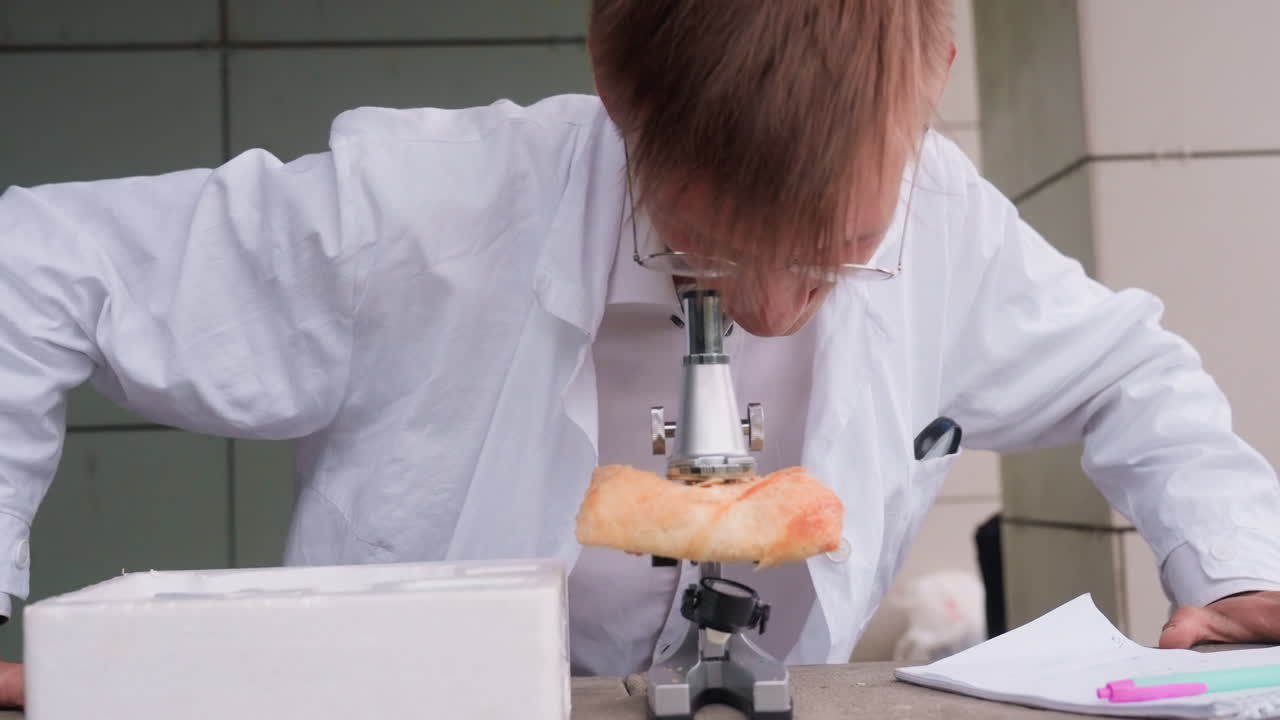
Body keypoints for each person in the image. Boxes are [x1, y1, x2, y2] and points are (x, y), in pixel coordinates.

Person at [1, 0, 1279, 706]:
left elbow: (1130, 375)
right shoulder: (419, 213)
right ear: (617, 88)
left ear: (935, 73)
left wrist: (1236, 565)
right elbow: (34, 265)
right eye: (705, 250)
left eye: (835, 253)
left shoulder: (948, 222)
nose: (771, 313)